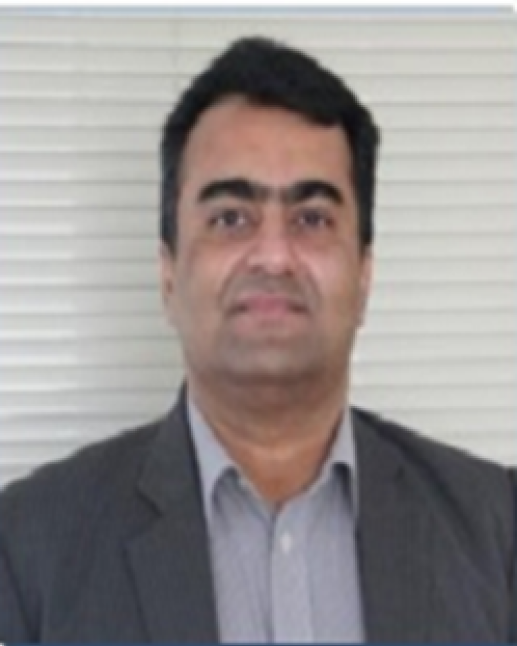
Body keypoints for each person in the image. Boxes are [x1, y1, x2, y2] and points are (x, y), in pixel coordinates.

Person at [0, 36, 515, 644]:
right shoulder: (28, 548)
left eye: (312, 219)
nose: (273, 256)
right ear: (168, 275)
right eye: (230, 218)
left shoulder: (497, 530)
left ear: (364, 274)